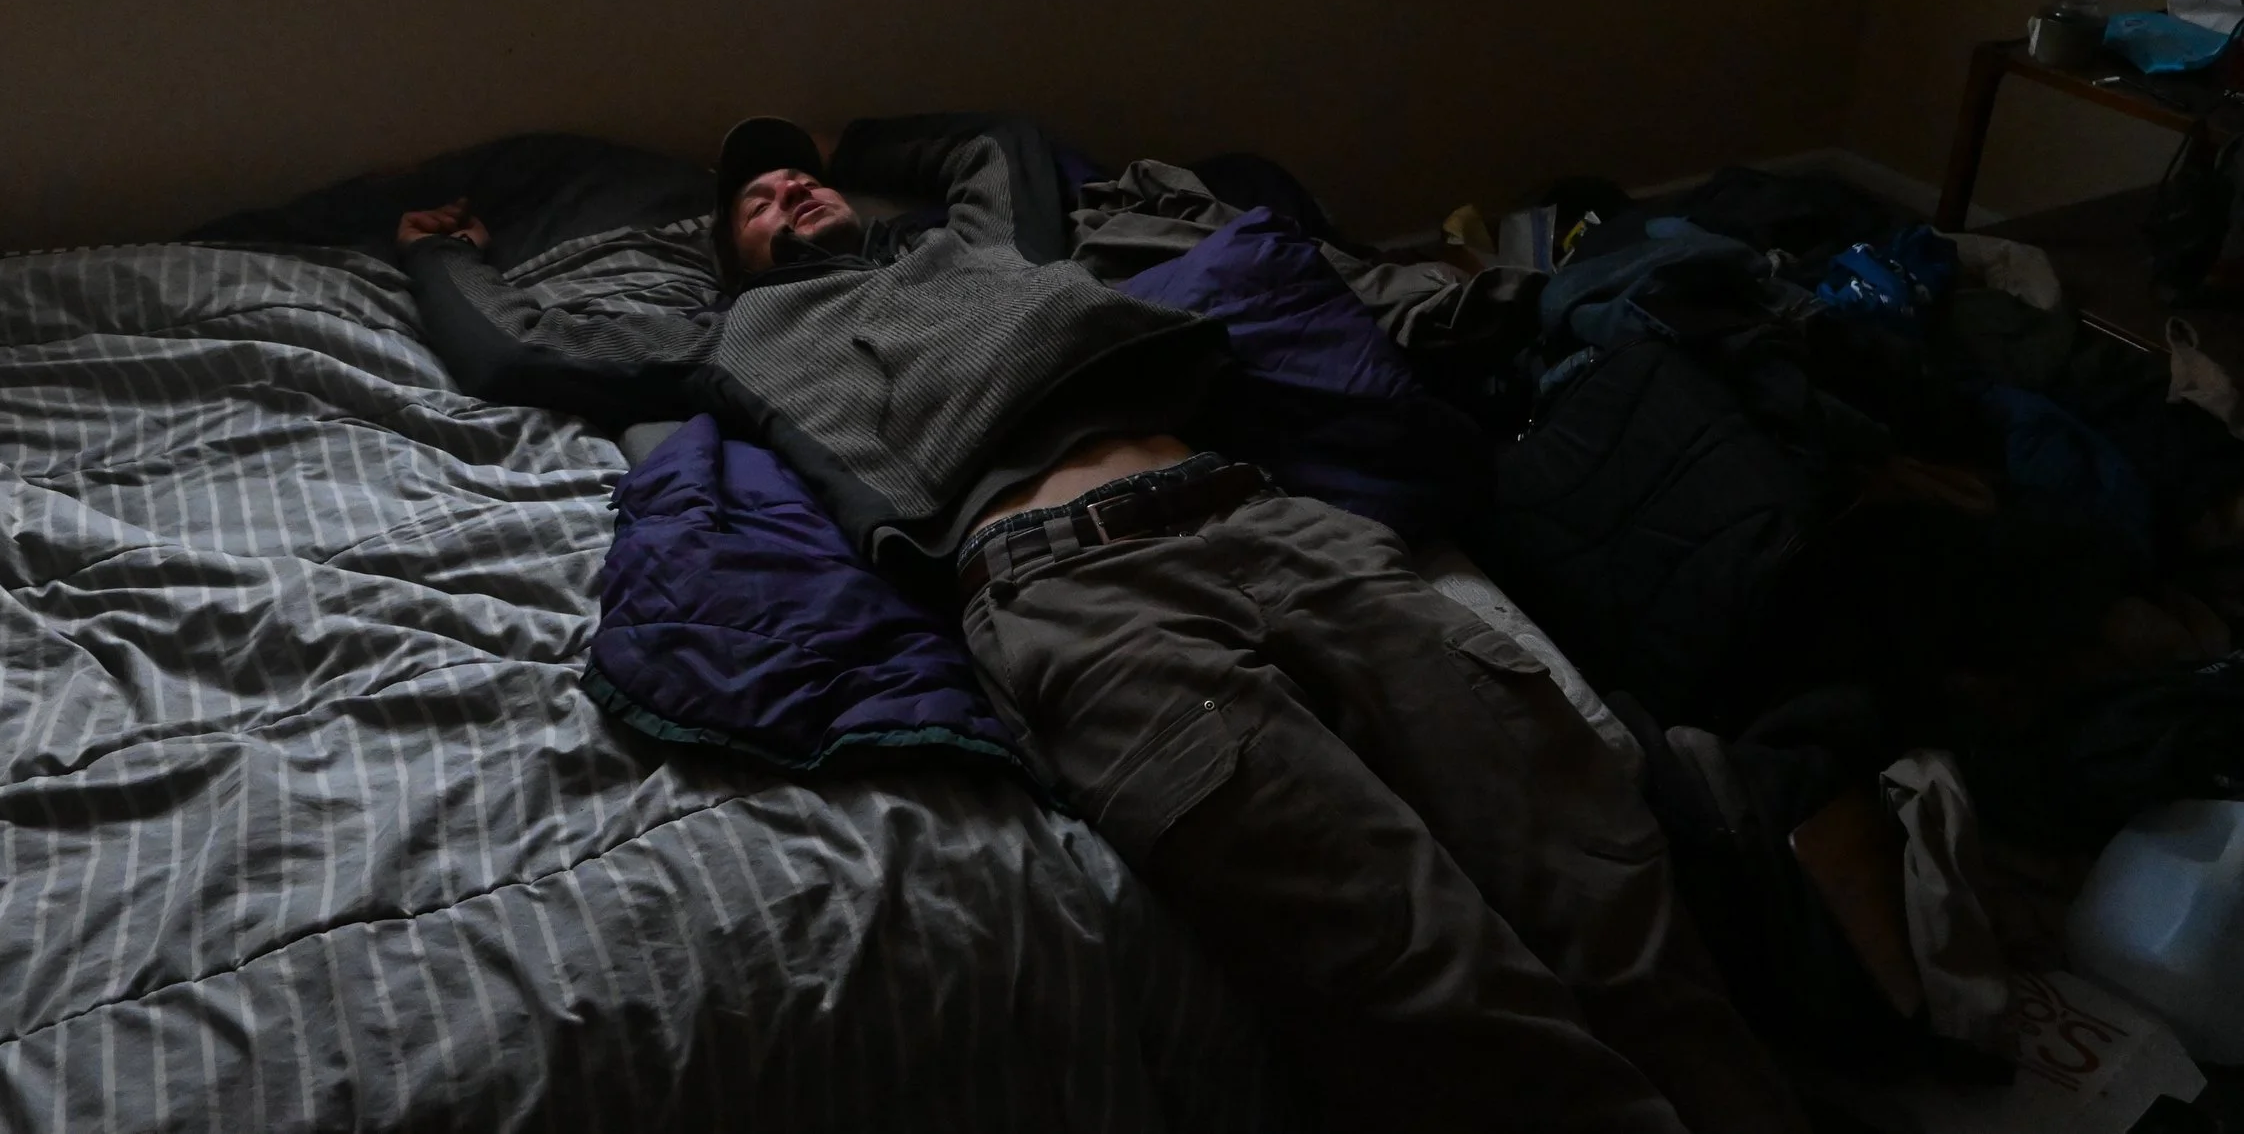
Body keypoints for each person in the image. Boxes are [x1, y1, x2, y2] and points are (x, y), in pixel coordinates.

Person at [397, 113, 1806, 1134]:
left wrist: (857, 137)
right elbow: (522, 352)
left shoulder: (984, 250)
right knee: (1404, 956)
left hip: (1267, 519)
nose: (786, 190)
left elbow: (997, 146)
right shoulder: (732, 343)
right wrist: (441, 256)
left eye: (797, 175)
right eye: (757, 202)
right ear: (732, 258)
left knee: (1591, 857)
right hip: (1068, 594)